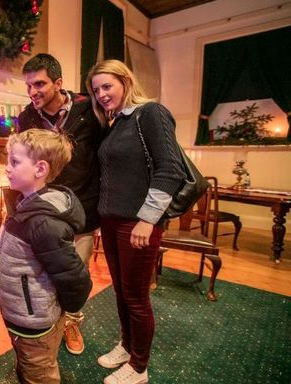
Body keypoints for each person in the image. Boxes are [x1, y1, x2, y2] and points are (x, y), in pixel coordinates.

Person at [86, 60, 186, 384]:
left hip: (138, 224)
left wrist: (147, 220)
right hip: (113, 222)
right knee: (121, 293)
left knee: (136, 298)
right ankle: (127, 346)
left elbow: (171, 168)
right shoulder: (116, 123)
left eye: (107, 86)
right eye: (96, 89)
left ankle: (139, 367)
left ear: (126, 80)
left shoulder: (151, 113)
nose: (101, 94)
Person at [17, 53, 105, 355]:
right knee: (47, 272)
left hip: (82, 209)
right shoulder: (26, 117)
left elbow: (103, 156)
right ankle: (50, 327)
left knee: (76, 273)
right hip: (45, 213)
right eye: (28, 86)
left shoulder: (89, 109)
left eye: (39, 84)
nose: (33, 92)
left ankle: (72, 323)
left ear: (59, 82)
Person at [0, 129, 93, 384]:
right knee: (28, 365)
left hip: (34, 321)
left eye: (14, 162)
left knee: (39, 373)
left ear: (40, 169)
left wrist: (63, 309)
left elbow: (75, 278)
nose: (7, 168)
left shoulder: (43, 224)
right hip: (23, 314)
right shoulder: (25, 204)